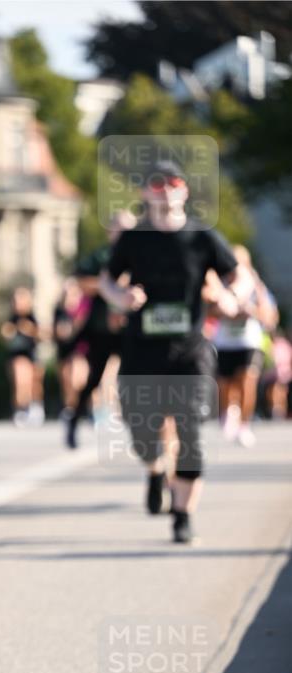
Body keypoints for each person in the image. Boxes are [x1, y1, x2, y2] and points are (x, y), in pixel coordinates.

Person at [99, 160, 252, 544]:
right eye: (156, 183)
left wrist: (232, 296)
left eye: (172, 182)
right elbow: (106, 280)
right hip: (141, 350)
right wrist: (121, 296)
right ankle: (154, 470)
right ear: (146, 193)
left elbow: (241, 275)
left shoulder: (202, 236)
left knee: (190, 431)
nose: (164, 189)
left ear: (184, 190)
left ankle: (183, 514)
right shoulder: (134, 239)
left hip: (190, 350)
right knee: (142, 431)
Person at [65, 211, 136, 449]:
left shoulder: (140, 254)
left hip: (130, 328)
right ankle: (74, 420)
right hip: (101, 328)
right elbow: (80, 281)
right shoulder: (101, 257)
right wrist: (109, 286)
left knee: (135, 375)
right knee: (94, 378)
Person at [206, 245, 278, 447]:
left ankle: (244, 425)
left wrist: (251, 310)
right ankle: (228, 413)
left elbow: (270, 316)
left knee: (248, 380)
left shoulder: (256, 286)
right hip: (225, 343)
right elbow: (208, 311)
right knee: (226, 385)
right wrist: (226, 311)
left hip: (249, 341)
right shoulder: (218, 283)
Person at [1, 286, 44, 427]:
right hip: (17, 355)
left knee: (34, 383)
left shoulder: (32, 317)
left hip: (32, 355)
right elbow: (5, 333)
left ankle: (35, 406)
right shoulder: (12, 319)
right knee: (20, 381)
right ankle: (21, 408)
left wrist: (30, 330)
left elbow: (42, 335)